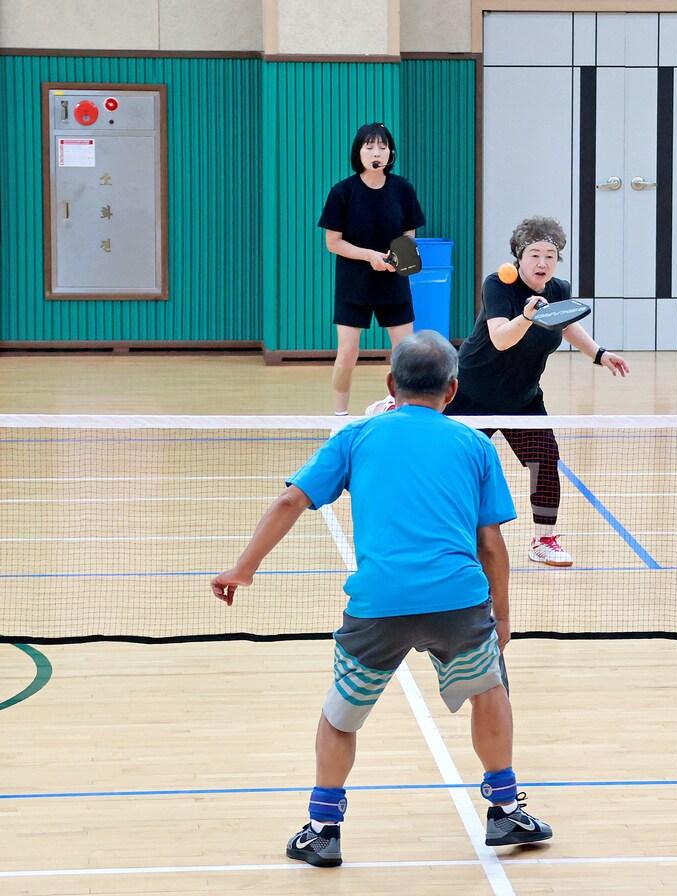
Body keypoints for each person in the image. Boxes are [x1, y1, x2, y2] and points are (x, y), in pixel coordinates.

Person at [210, 331, 553, 867]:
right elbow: (491, 544)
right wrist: (502, 616)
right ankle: (504, 810)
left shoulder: (357, 436)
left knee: (339, 718)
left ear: (392, 384)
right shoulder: (475, 445)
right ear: (454, 390)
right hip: (459, 604)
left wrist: (242, 569)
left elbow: (290, 500)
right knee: (490, 693)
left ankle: (323, 830)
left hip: (378, 606)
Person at [447, 216, 630, 568]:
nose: (543, 262)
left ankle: (543, 540)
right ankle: (448, 537)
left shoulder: (558, 289)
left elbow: (566, 324)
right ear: (519, 256)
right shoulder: (498, 286)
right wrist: (527, 317)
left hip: (523, 398)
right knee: (454, 467)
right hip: (471, 395)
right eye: (534, 254)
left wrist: (600, 354)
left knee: (544, 460)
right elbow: (500, 338)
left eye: (550, 255)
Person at [318, 122, 426, 415]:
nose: (376, 152)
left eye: (382, 146)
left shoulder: (402, 189)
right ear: (358, 152)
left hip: (393, 281)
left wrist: (397, 258)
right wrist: (370, 257)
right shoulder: (342, 192)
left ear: (391, 152)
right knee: (347, 353)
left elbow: (408, 235)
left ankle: (402, 411)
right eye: (369, 146)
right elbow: (334, 243)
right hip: (354, 282)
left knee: (404, 354)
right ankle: (339, 418)